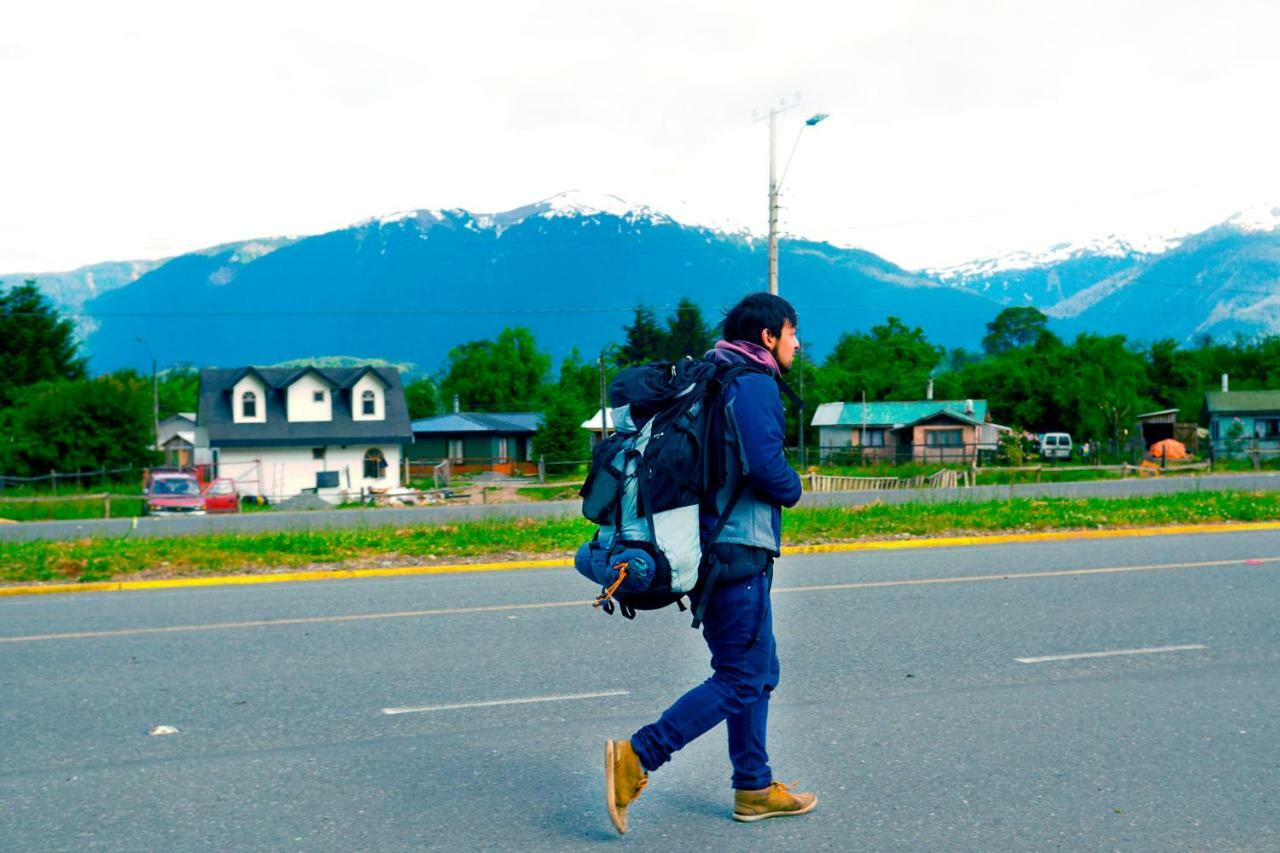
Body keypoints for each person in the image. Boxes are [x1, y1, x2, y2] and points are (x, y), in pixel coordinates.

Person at [604, 291, 817, 834]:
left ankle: (753, 787)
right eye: (792, 333)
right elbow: (767, 469)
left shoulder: (715, 374)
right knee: (742, 676)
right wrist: (796, 488)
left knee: (757, 672)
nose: (797, 342)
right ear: (768, 336)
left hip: (713, 546)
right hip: (735, 551)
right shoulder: (751, 383)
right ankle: (639, 755)